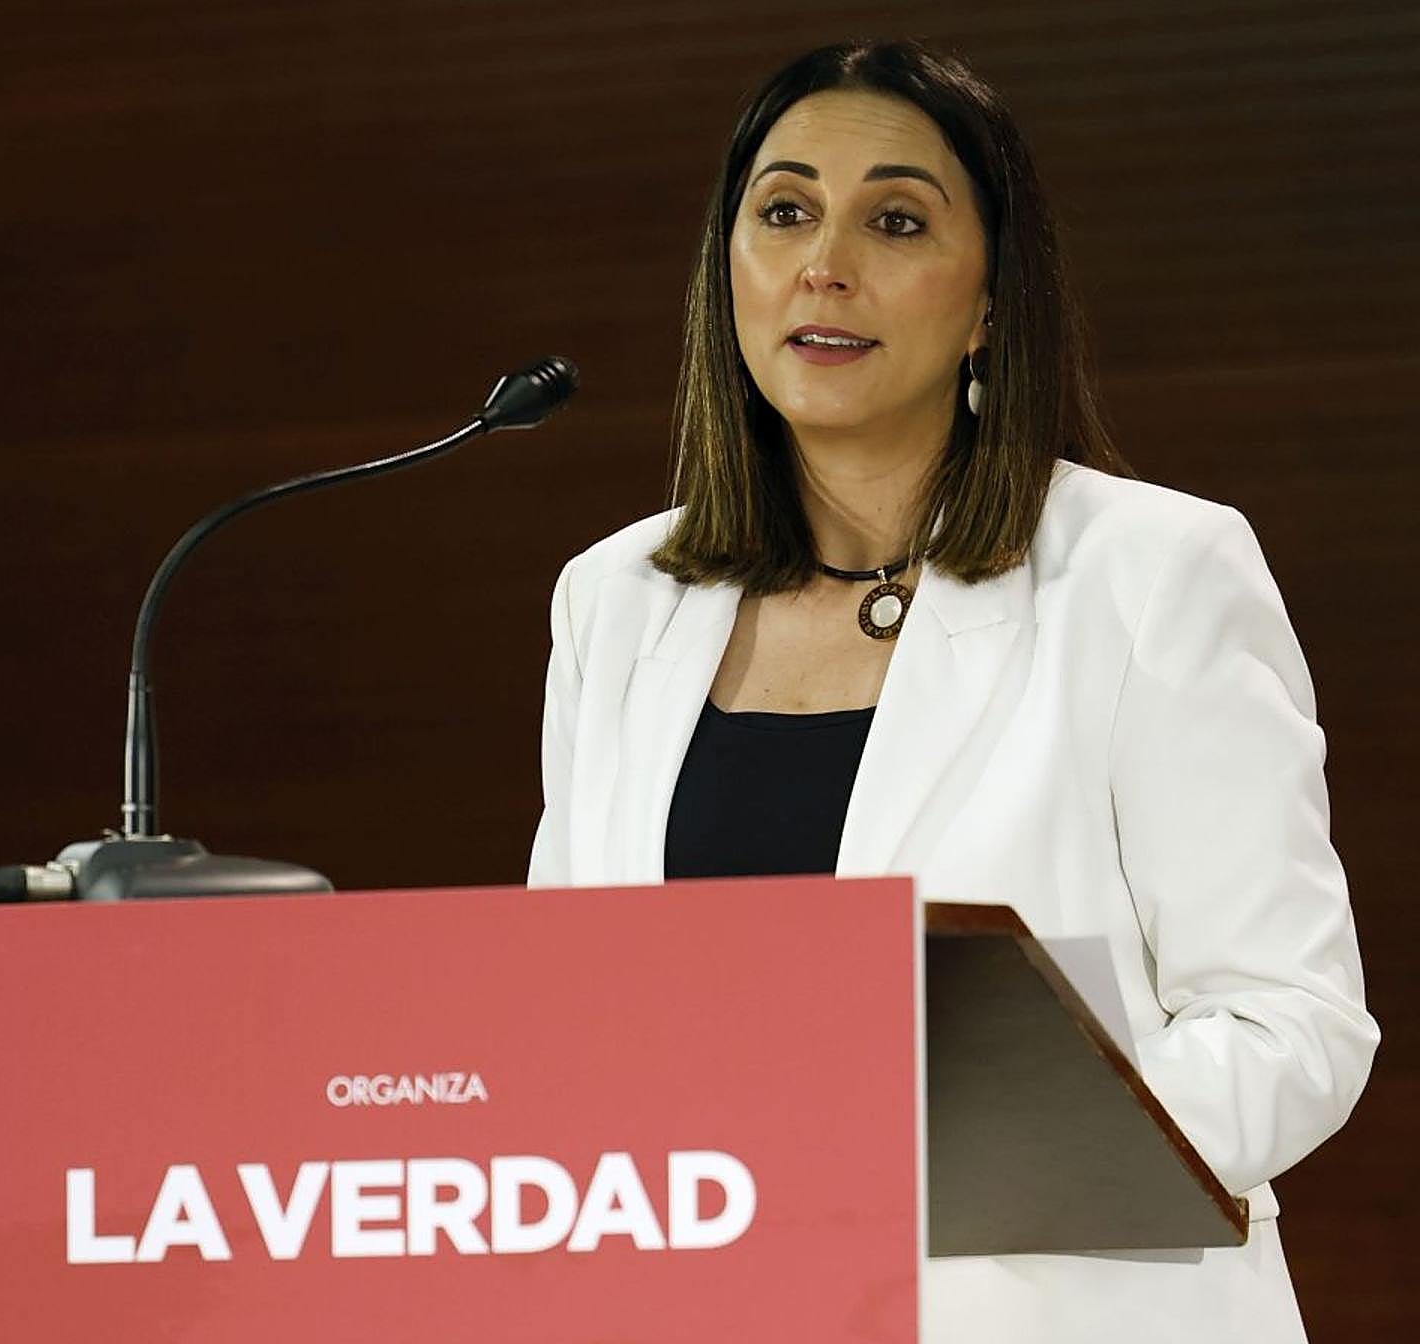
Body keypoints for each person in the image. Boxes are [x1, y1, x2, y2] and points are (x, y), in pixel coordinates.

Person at [526, 38, 1377, 1343]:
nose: (825, 264)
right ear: (726, 270)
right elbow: (564, 1018)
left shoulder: (1149, 573)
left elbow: (1292, 1025)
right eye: (785, 212)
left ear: (990, 302)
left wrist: (948, 1151)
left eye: (898, 221)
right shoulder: (618, 599)